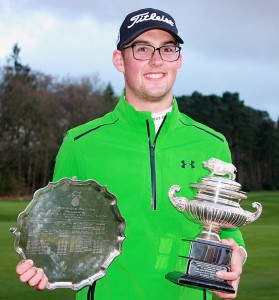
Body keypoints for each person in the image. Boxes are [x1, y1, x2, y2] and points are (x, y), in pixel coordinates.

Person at [16, 8, 247, 300]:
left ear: (179, 60)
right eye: (141, 48)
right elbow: (54, 225)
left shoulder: (212, 144)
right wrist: (41, 262)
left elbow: (228, 230)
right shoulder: (80, 142)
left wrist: (237, 254)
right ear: (119, 60)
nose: (156, 59)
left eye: (167, 49)